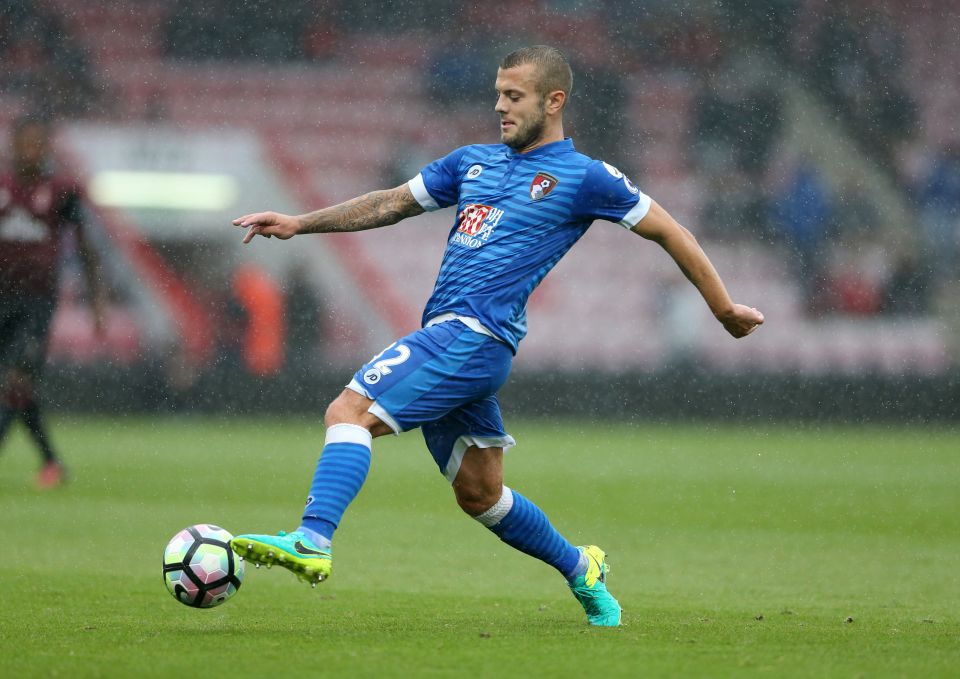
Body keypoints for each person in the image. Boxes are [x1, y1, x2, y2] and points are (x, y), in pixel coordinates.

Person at [230, 46, 764, 627]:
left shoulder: (584, 176)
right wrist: (301, 223)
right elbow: (390, 203)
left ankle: (313, 539)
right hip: (456, 338)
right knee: (481, 496)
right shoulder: (472, 162)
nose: (499, 107)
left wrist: (724, 308)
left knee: (349, 411)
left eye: (514, 97)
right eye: (497, 94)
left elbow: (670, 231)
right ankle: (582, 568)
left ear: (553, 101)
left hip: (474, 335)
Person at [0, 115, 105, 488]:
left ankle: (48, 461)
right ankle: (51, 462)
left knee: (17, 378)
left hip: (36, 302)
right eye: (26, 143)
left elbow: (86, 245)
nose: (32, 150)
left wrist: (97, 302)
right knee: (19, 390)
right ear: (13, 145)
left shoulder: (61, 190)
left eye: (38, 144)